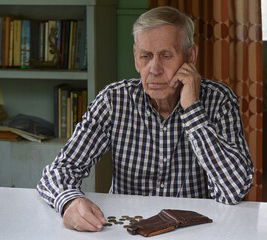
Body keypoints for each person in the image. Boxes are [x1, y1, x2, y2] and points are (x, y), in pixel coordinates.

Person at [37, 6, 254, 232]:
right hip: (126, 231)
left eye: (166, 55)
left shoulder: (219, 100)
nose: (154, 69)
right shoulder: (114, 100)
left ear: (190, 57)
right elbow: (59, 170)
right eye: (146, 56)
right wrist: (69, 201)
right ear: (136, 58)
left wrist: (193, 110)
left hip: (195, 231)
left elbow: (234, 189)